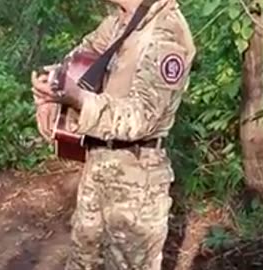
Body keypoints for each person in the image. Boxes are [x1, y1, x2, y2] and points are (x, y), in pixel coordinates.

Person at [31, 0, 195, 268]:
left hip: (137, 180)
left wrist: (79, 100)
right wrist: (50, 92)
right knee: (82, 261)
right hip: (98, 165)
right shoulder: (119, 22)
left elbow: (142, 118)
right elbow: (77, 61)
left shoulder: (167, 31)